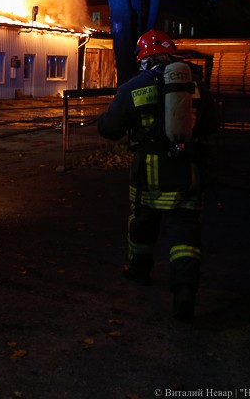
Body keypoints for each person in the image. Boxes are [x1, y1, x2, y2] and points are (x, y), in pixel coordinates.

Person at [97, 29, 218, 321]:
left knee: (142, 223)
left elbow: (110, 129)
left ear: (143, 59)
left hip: (148, 173)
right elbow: (211, 125)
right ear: (170, 53)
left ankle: (138, 271)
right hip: (188, 170)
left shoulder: (132, 87)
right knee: (185, 233)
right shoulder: (196, 84)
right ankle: (185, 290)